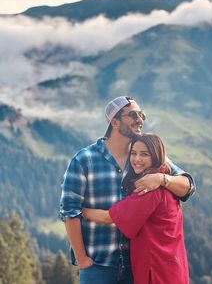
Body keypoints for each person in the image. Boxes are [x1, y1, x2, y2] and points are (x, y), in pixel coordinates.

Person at [59, 96, 195, 284]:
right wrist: (82, 260)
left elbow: (187, 186)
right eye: (133, 115)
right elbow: (69, 212)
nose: (140, 120)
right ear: (114, 121)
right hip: (99, 266)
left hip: (138, 267)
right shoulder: (84, 160)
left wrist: (162, 178)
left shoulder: (148, 155)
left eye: (141, 115)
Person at [83, 134, 189, 284]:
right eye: (133, 153)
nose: (137, 159)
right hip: (173, 266)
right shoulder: (168, 180)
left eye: (144, 154)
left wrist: (78, 210)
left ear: (156, 156)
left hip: (155, 271)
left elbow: (108, 217)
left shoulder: (148, 189)